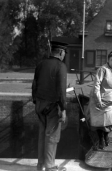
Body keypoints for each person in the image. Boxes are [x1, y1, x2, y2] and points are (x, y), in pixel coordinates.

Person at [32, 41, 68, 171]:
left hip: (39, 105)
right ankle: (50, 166)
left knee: (42, 135)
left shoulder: (40, 64)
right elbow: (61, 91)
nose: (64, 55)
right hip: (52, 107)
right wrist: (63, 109)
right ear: (60, 52)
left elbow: (34, 85)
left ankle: (40, 165)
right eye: (64, 53)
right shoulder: (61, 66)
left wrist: (36, 102)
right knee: (52, 137)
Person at [88, 50, 112, 149]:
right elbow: (96, 85)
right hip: (101, 99)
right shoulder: (102, 69)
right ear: (108, 60)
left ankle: (106, 137)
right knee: (100, 123)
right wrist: (98, 101)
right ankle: (101, 139)